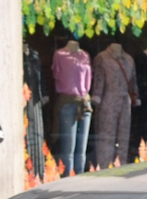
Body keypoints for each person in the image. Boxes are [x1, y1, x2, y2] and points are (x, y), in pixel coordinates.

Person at [87, 38, 139, 168]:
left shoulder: (129, 59)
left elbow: (133, 80)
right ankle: (104, 166)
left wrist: (135, 95)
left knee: (124, 135)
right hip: (108, 98)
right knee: (107, 135)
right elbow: (99, 78)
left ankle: (122, 164)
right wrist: (97, 95)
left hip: (125, 100)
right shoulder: (102, 58)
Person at [50, 34, 93, 172]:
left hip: (85, 103)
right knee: (68, 149)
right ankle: (67, 181)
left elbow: (89, 77)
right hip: (68, 101)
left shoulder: (85, 55)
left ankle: (80, 180)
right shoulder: (59, 55)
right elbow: (56, 75)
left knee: (82, 149)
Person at [20, 39, 49, 181]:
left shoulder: (34, 55)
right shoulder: (16, 55)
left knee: (37, 132)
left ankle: (38, 170)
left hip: (35, 98)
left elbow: (40, 77)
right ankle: (27, 170)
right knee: (24, 132)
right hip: (22, 98)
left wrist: (43, 94)